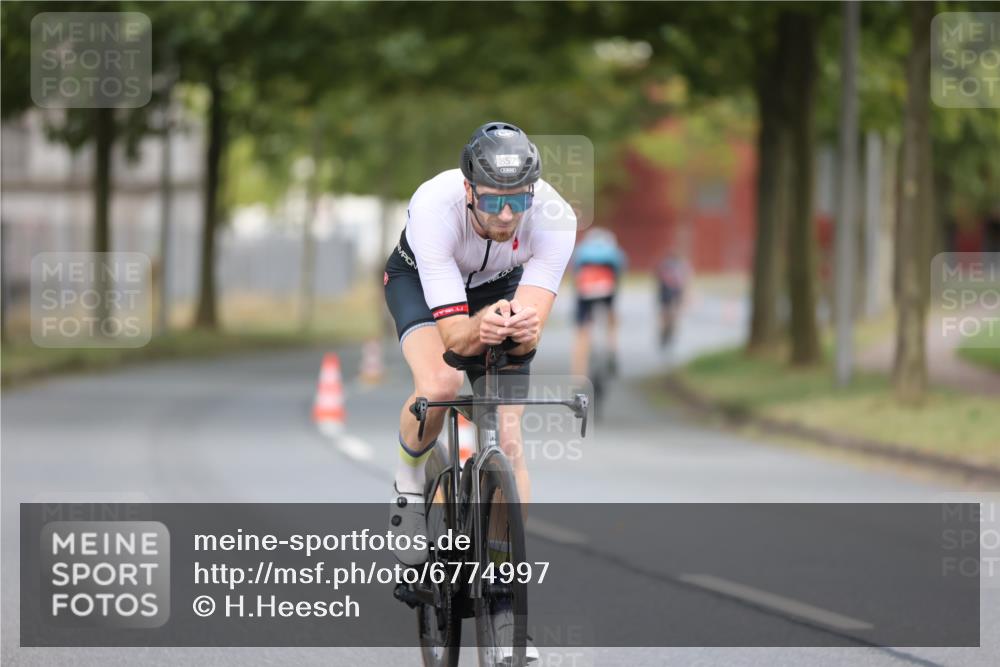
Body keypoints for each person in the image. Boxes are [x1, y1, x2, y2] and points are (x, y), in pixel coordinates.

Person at [383, 121, 575, 564]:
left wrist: (521, 331)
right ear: (469, 190)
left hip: (499, 286)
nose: (506, 215)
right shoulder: (435, 206)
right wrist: (480, 327)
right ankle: (408, 485)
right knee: (441, 385)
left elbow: (529, 333)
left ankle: (504, 572)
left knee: (508, 434)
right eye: (492, 201)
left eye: (518, 201)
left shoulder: (556, 217)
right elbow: (455, 339)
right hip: (420, 281)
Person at [570, 227, 626, 378]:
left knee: (582, 330)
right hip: (607, 287)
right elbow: (619, 269)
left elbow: (576, 272)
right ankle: (612, 348)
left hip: (585, 288)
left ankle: (578, 375)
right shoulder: (612, 249)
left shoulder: (583, 249)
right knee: (611, 318)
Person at [655, 250, 691, 348]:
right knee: (673, 313)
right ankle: (669, 332)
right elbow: (686, 280)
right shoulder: (681, 265)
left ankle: (665, 332)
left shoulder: (665, 264)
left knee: (666, 313)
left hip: (666, 291)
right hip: (674, 291)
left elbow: (657, 278)